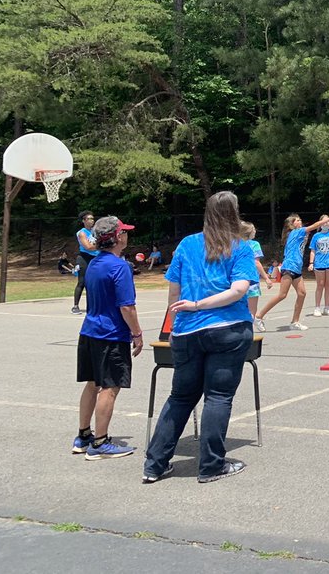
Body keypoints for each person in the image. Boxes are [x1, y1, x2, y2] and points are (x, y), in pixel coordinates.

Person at [142, 191, 259, 484]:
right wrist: (199, 305)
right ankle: (211, 465)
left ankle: (155, 464)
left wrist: (171, 327)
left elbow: (173, 293)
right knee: (218, 397)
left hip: (186, 331)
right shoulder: (241, 248)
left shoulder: (187, 245)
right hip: (227, 329)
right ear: (234, 213)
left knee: (181, 397)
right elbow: (238, 290)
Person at [73, 216, 143, 460]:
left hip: (89, 331)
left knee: (92, 383)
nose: (126, 235)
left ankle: (83, 436)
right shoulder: (119, 266)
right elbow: (127, 307)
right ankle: (100, 442)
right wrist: (137, 333)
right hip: (110, 335)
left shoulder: (94, 263)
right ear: (117, 237)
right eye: (123, 232)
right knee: (110, 387)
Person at [255, 211, 329, 331]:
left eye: (300, 219)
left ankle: (295, 322)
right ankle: (259, 316)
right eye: (297, 220)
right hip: (289, 266)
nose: (299, 221)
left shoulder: (299, 234)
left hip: (296, 268)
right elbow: (314, 226)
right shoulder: (296, 232)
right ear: (292, 224)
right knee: (282, 295)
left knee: (302, 293)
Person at [240, 222, 272, 322]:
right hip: (251, 280)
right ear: (248, 232)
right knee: (252, 311)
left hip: (237, 279)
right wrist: (266, 278)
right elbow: (256, 263)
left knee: (239, 309)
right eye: (253, 229)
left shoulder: (234, 244)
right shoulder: (254, 244)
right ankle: (249, 332)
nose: (255, 231)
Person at [72, 211, 98, 314]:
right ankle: (75, 306)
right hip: (84, 258)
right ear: (84, 221)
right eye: (89, 219)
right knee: (82, 282)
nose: (92, 221)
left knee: (92, 283)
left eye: (93, 219)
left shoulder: (95, 232)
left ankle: (91, 306)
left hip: (95, 258)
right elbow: (88, 247)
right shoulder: (82, 233)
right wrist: (101, 246)